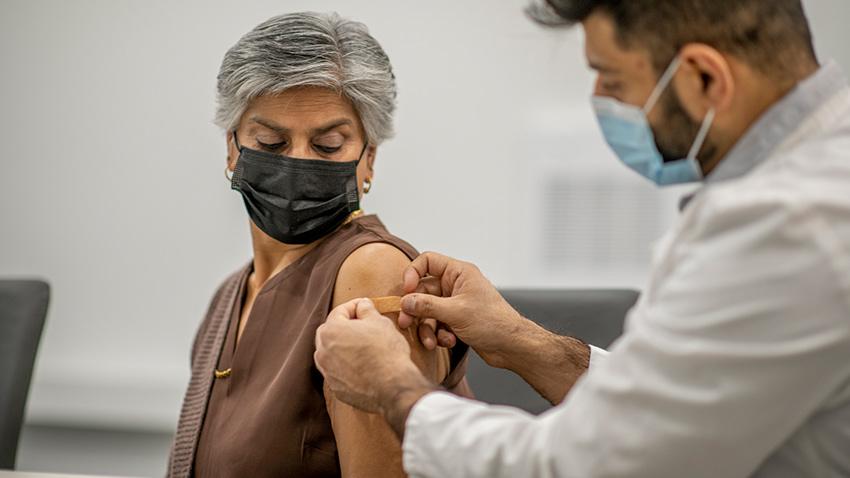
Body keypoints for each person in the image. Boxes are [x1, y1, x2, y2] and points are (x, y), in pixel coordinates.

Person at [314, 0, 850, 476]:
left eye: (612, 80)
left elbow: (583, 463)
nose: (598, 100)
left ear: (705, 78)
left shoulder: (790, 223)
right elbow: (684, 408)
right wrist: (522, 341)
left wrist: (393, 387)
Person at [167, 12, 471, 478]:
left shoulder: (370, 272)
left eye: (328, 145)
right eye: (270, 142)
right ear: (232, 147)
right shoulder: (229, 296)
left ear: (368, 160)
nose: (297, 164)